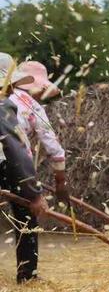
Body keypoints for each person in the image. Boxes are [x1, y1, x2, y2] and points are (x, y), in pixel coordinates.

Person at [0, 53, 49, 283]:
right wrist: (34, 193)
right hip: (4, 167)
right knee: (26, 216)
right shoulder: (2, 105)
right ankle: (28, 275)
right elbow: (16, 151)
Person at [9, 61, 69, 205]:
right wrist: (60, 183)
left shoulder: (6, 97)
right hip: (13, 157)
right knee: (26, 210)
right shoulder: (32, 105)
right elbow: (52, 145)